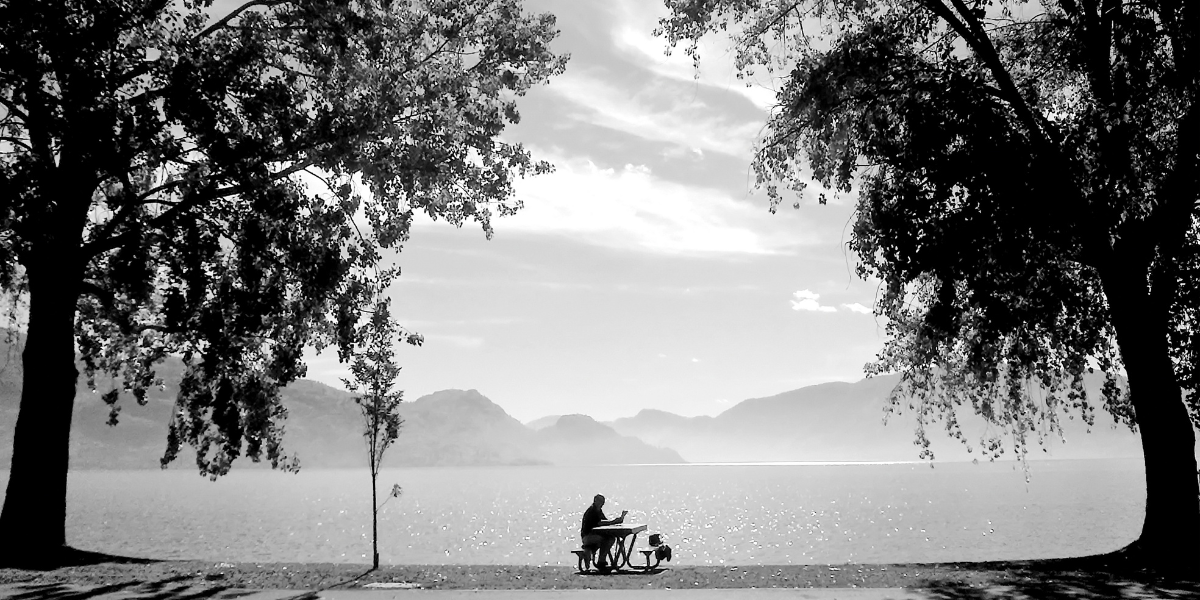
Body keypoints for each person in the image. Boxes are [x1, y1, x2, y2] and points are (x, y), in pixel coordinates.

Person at [580, 493, 627, 569]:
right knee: (607, 540)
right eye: (601, 502)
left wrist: (615, 521)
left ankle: (601, 560)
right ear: (595, 501)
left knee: (610, 538)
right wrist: (613, 522)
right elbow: (599, 523)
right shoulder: (592, 511)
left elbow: (605, 521)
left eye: (603, 503)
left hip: (594, 535)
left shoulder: (598, 510)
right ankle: (601, 561)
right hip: (588, 536)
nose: (602, 504)